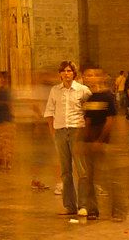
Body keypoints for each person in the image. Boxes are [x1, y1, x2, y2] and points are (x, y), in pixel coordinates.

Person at [43, 62, 88, 215]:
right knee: (65, 171)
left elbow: (91, 111)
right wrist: (53, 131)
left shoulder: (83, 90)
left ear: (74, 73)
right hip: (60, 131)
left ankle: (83, 204)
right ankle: (70, 205)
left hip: (77, 130)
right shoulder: (55, 90)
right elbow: (49, 112)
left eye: (69, 71)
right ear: (60, 74)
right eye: (64, 71)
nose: (67, 73)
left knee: (82, 170)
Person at [80, 67, 119, 218]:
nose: (90, 78)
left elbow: (110, 121)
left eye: (93, 75)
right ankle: (93, 209)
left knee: (107, 176)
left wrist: (100, 140)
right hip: (91, 141)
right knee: (89, 177)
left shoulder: (108, 96)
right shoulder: (90, 98)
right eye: (87, 76)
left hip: (104, 141)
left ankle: (116, 209)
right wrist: (84, 140)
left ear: (101, 78)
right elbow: (88, 120)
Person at [0, 71, 16, 170]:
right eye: (0, 78)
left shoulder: (8, 92)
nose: (2, 80)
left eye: (4, 78)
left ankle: (8, 162)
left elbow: (8, 104)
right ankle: (0, 160)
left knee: (7, 143)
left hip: (6, 120)